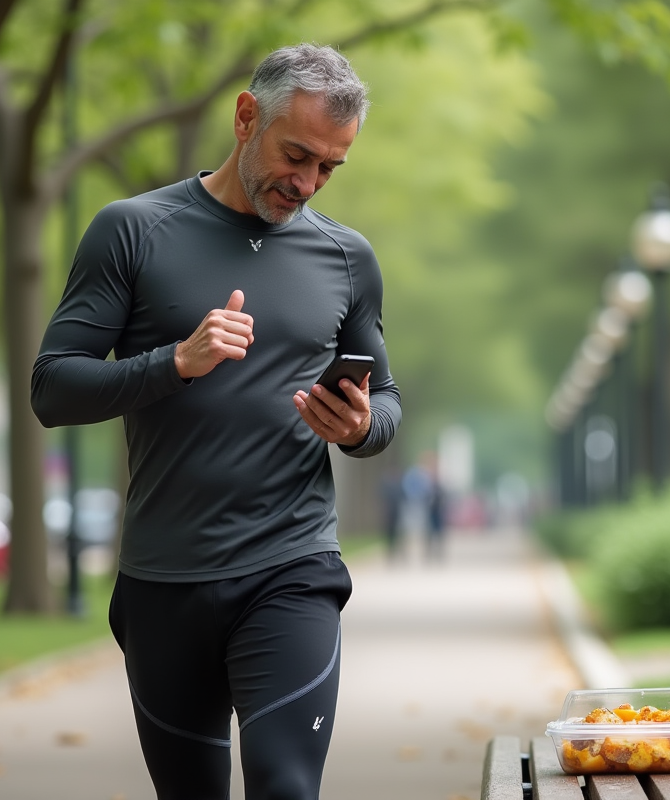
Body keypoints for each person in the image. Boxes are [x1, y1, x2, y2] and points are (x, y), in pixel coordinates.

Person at [31, 43, 400, 800]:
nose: (306, 183)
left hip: (289, 567)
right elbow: (53, 389)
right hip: (165, 579)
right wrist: (173, 363)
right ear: (244, 117)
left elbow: (387, 403)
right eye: (296, 154)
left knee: (285, 786)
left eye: (329, 168)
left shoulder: (346, 258)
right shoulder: (131, 230)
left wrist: (360, 427)